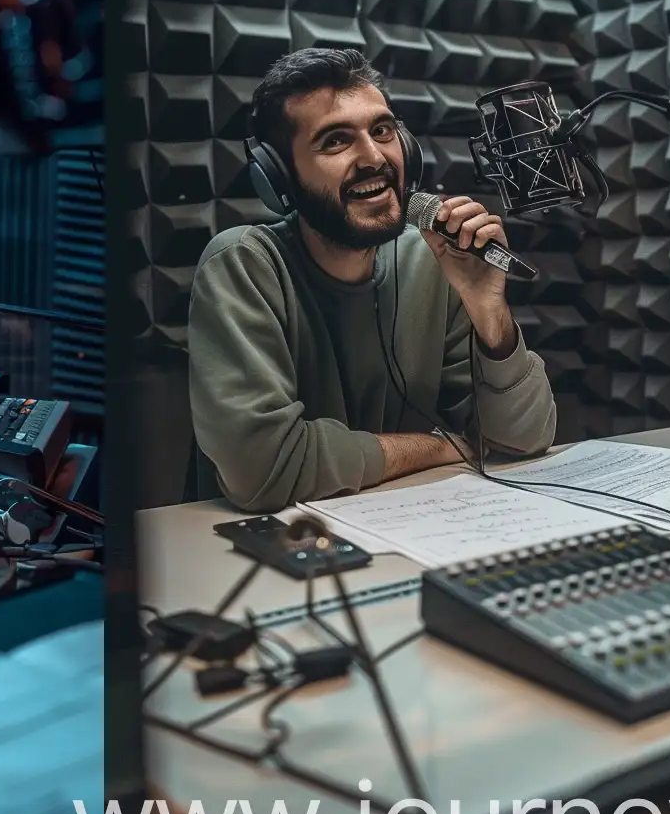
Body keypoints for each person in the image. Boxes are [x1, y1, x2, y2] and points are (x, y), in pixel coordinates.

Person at [189, 44, 557, 512]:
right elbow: (264, 470)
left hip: (410, 526)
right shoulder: (244, 264)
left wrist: (490, 311)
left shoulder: (431, 257)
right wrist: (439, 446)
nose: (373, 158)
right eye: (335, 140)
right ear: (279, 177)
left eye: (382, 130)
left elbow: (524, 439)